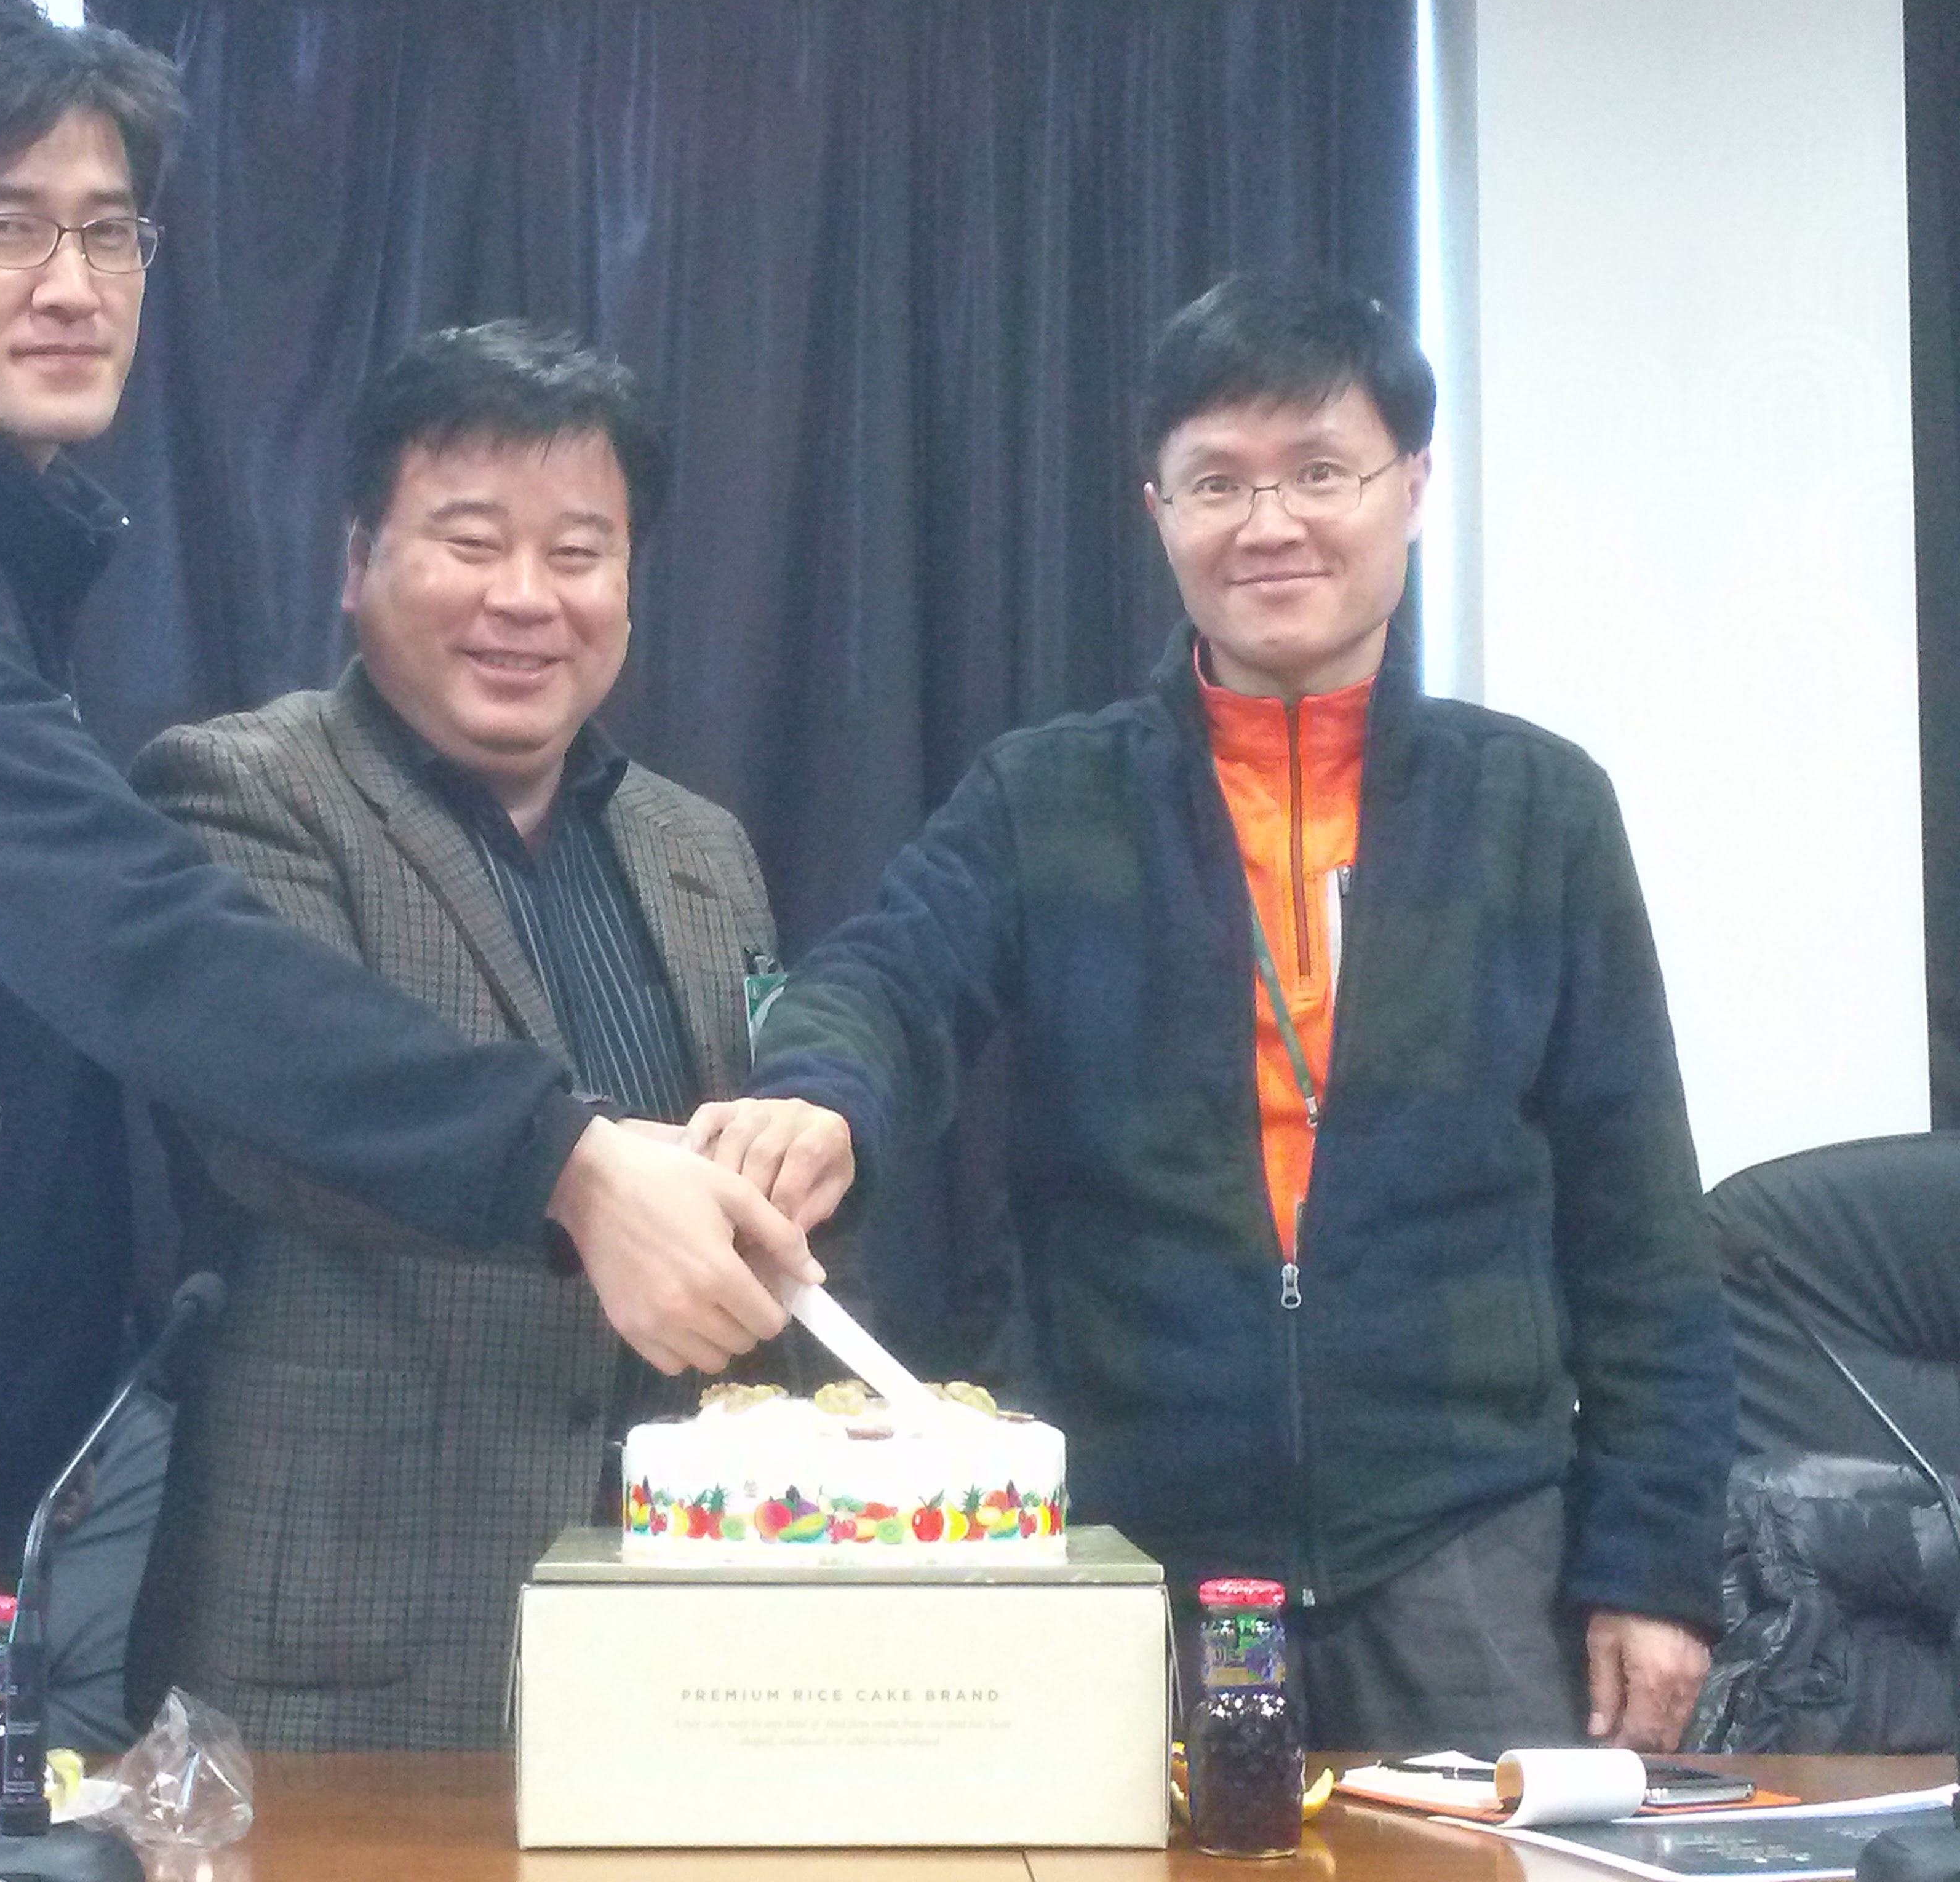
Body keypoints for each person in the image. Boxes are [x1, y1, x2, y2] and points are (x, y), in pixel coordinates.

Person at [0, 0, 813, 1742]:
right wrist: (564, 1160)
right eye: (3, 226)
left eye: (109, 230)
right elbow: (143, 941)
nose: (71, 282)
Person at [694, 272, 1734, 1752]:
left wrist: (1653, 1563)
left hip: (1460, 1539)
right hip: (1129, 1532)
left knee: (1484, 1866)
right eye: (1217, 483)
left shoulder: (1539, 810)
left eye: (1319, 472)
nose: (1269, 523)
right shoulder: (1047, 796)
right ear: (1157, 509)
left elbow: (1643, 1223)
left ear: (1411, 487)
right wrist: (817, 1089)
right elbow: (886, 976)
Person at [119, 321, 797, 1748]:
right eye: (471, 542)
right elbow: (294, 1133)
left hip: (683, 1634)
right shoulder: (243, 791)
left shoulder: (703, 849)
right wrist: (600, 1188)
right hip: (343, 1646)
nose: (525, 599)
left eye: (579, 552)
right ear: (355, 561)